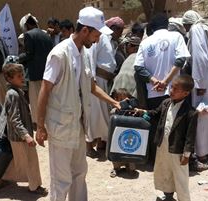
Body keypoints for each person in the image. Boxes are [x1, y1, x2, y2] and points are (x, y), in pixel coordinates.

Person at [36, 6, 120, 201]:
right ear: (85, 31)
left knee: (79, 173)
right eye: (97, 34)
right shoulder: (59, 54)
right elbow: (44, 89)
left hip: (78, 125)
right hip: (60, 126)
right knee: (61, 179)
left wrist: (114, 102)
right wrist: (40, 126)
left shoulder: (84, 53)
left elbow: (91, 86)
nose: (98, 39)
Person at [134, 14, 190, 163]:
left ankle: (155, 159)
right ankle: (174, 159)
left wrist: (155, 81)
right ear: (167, 25)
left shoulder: (145, 42)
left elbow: (138, 67)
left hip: (154, 92)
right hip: (175, 90)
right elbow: (181, 59)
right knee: (176, 124)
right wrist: (166, 82)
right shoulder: (176, 37)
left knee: (155, 123)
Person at [135, 75, 198, 201]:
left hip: (177, 150)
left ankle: (184, 198)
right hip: (162, 145)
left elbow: (190, 136)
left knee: (180, 176)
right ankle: (168, 194)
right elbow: (155, 114)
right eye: (171, 87)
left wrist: (186, 155)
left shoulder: (191, 112)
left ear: (185, 93)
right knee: (164, 170)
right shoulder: (166, 103)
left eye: (175, 89)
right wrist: (144, 112)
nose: (171, 91)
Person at [0, 63, 47, 195]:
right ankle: (34, 187)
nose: (22, 78)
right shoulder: (12, 94)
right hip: (20, 137)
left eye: (22, 75)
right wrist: (26, 136)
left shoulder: (17, 91)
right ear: (9, 78)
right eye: (19, 76)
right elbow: (14, 118)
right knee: (30, 162)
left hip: (20, 135)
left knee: (22, 162)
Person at [182, 10, 208, 163]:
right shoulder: (205, 28)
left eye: (185, 25)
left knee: (201, 114)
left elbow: (200, 57)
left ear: (189, 23)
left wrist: (198, 84)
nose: (185, 29)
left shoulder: (196, 29)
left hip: (202, 79)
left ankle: (202, 152)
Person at [86, 21, 117, 158]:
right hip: (97, 80)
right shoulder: (99, 37)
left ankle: (101, 143)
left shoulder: (106, 37)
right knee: (94, 114)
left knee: (102, 113)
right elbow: (90, 58)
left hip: (103, 80)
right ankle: (88, 145)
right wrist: (92, 79)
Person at [18, 15, 53, 127]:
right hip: (47, 73)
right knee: (47, 100)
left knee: (36, 100)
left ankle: (39, 124)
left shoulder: (29, 35)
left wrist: (18, 58)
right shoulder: (46, 35)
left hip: (35, 74)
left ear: (27, 25)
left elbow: (29, 54)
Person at [109, 88, 137, 178]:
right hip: (117, 135)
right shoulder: (114, 109)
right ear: (116, 100)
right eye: (121, 99)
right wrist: (121, 106)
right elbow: (113, 114)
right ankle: (116, 168)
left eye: (126, 99)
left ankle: (130, 168)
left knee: (130, 152)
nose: (124, 101)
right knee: (116, 153)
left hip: (129, 135)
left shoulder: (131, 109)